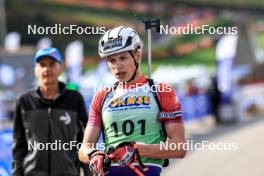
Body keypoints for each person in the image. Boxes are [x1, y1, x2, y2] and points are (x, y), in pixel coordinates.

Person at [79, 26, 186, 176]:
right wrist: (94, 154)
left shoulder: (162, 91)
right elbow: (84, 149)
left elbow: (179, 147)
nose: (117, 66)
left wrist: (137, 150)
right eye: (111, 60)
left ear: (137, 55)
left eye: (123, 58)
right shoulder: (102, 96)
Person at [12, 47, 90, 176]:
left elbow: (85, 141)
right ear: (35, 70)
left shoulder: (75, 99)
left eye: (51, 64)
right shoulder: (24, 101)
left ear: (60, 68)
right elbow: (18, 144)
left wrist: (88, 173)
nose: (46, 69)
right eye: (42, 65)